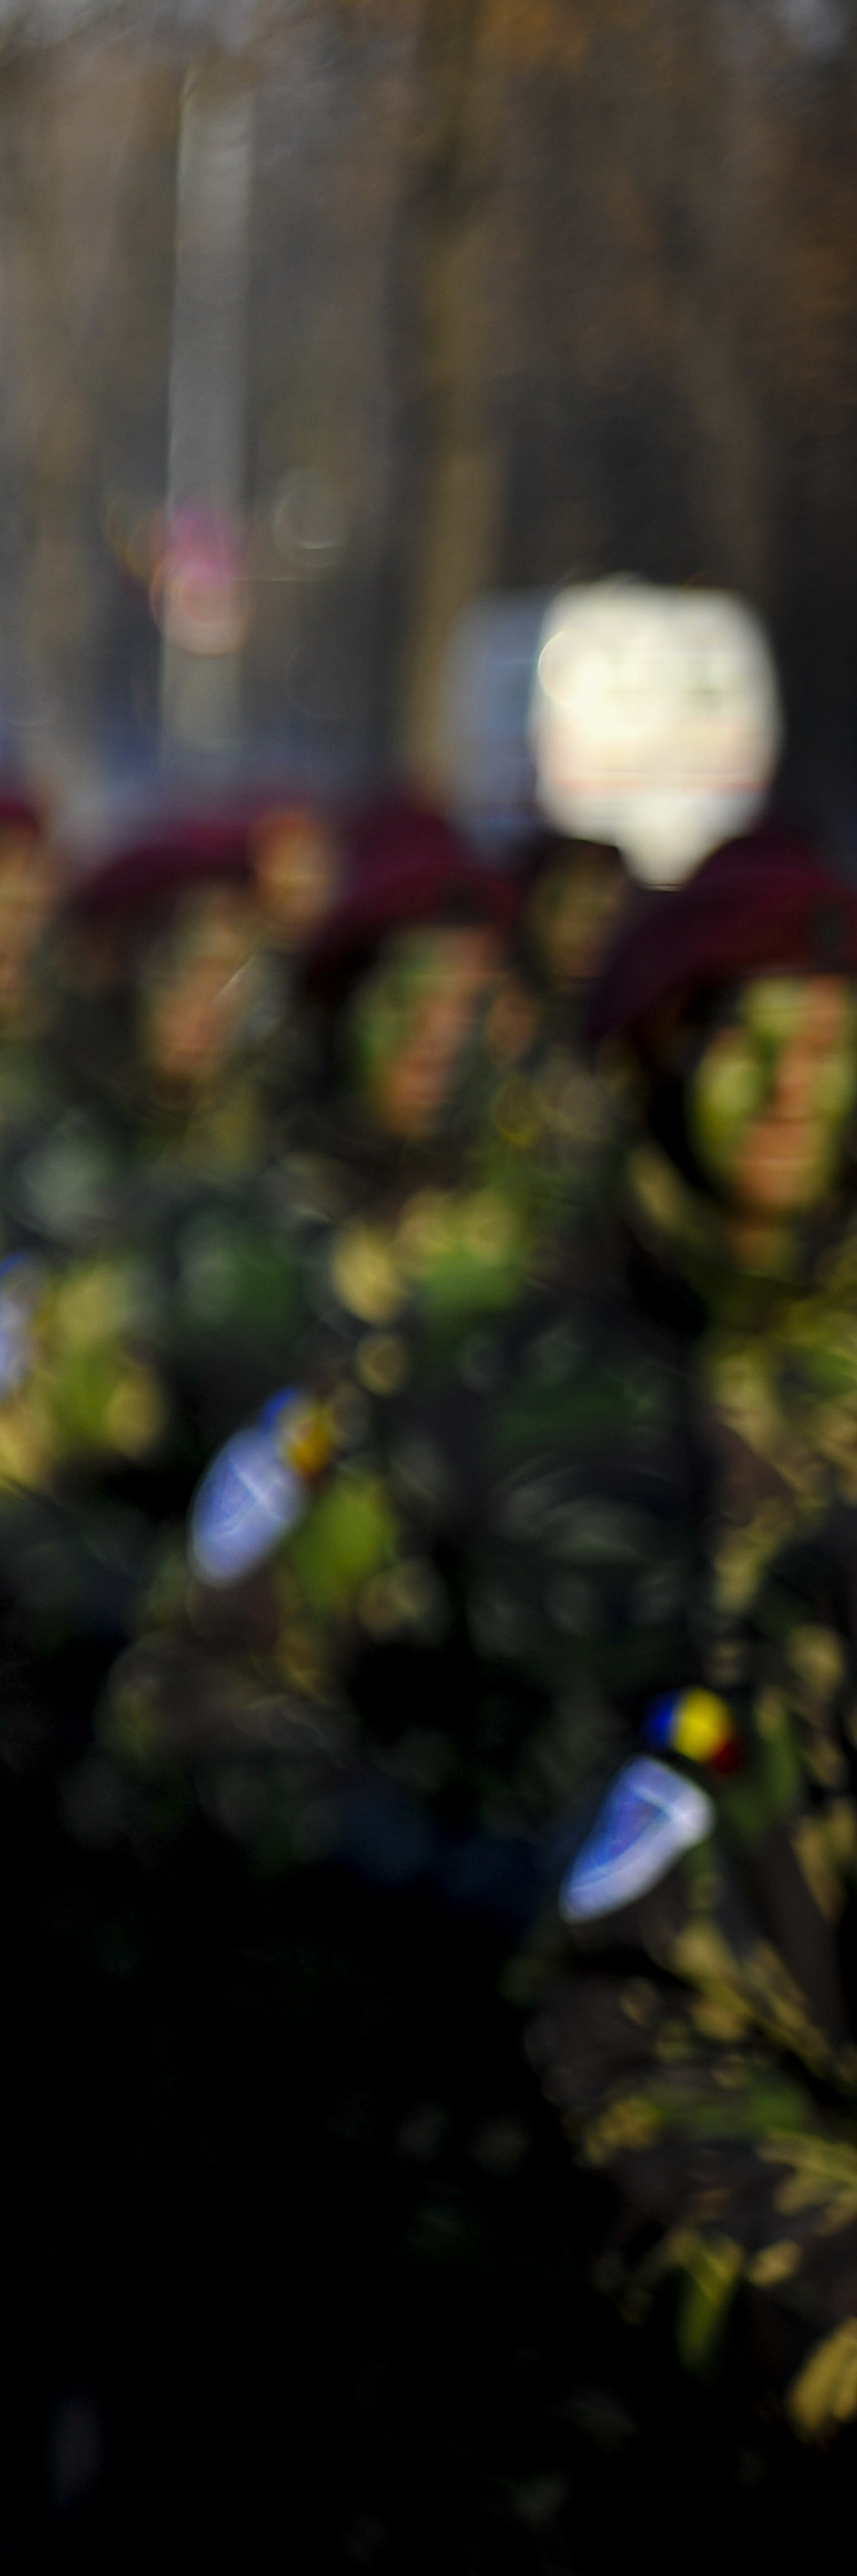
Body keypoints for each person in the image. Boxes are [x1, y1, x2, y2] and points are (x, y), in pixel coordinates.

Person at [530, 830, 857, 2468]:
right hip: (521, 2265)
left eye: (831, 1044)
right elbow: (640, 2004)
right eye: (749, 1043)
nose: (794, 1089)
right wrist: (421, 1852)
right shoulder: (476, 1369)